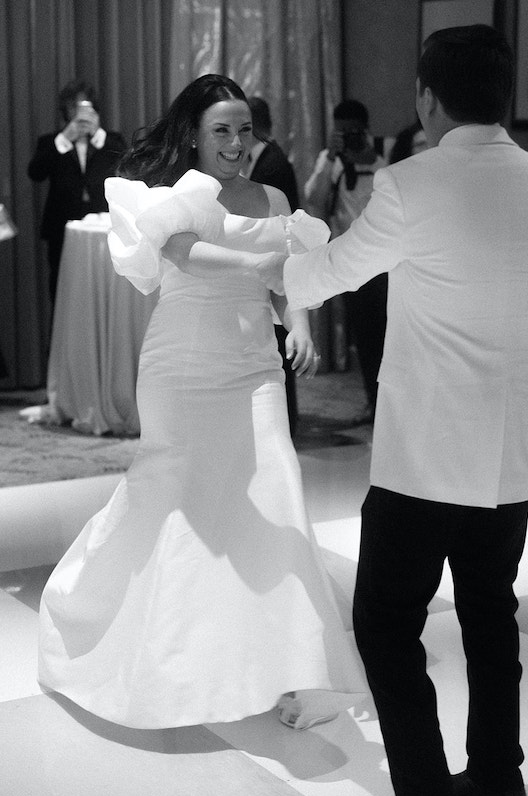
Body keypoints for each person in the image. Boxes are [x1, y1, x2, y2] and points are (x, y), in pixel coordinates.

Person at [269, 25, 528, 796]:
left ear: (426, 98)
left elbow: (320, 278)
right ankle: (496, 779)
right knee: (491, 612)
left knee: (385, 624)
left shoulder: (410, 182)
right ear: (504, 95)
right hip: (515, 454)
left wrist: (300, 241)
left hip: (426, 461)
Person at [38, 74, 365, 732]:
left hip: (254, 368)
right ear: (193, 133)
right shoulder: (172, 196)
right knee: (175, 502)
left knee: (277, 491)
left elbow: (294, 273)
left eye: (246, 129)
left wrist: (296, 320)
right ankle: (133, 639)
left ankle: (293, 668)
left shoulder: (273, 193)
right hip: (182, 367)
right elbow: (187, 254)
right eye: (222, 129)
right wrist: (265, 264)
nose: (238, 142)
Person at [304, 100, 388, 425]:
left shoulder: (381, 165)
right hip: (347, 262)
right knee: (362, 338)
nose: (348, 136)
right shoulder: (330, 161)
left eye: (353, 131)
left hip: (379, 266)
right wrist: (331, 158)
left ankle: (382, 404)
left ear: (365, 130)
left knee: (379, 337)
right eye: (342, 131)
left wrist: (365, 157)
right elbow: (313, 200)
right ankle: (373, 402)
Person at [27, 79, 126, 305]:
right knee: (62, 290)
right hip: (61, 227)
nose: (80, 114)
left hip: (104, 227)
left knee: (104, 290)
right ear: (65, 111)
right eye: (74, 107)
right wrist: (65, 138)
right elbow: (35, 173)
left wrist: (98, 135)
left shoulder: (111, 140)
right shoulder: (50, 142)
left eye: (85, 107)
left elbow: (128, 167)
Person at [245, 95, 300, 435]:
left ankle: (287, 422)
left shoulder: (274, 164)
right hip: (268, 272)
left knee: (281, 352)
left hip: (275, 269)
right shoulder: (263, 159)